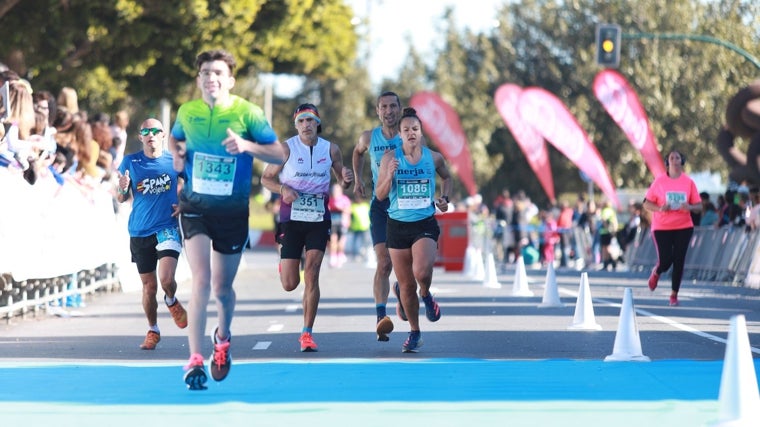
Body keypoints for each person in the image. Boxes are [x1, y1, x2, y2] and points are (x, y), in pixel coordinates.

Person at [169, 49, 284, 390]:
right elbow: (176, 137)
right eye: (205, 72)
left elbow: (280, 152)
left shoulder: (247, 112)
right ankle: (193, 360)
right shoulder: (186, 111)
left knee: (222, 288)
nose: (211, 78)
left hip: (233, 211)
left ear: (230, 79)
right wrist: (177, 152)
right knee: (201, 280)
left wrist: (247, 146)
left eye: (218, 72)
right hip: (195, 207)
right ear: (198, 78)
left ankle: (223, 337)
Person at [261, 103, 354, 352]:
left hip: (318, 218)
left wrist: (346, 179)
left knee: (312, 273)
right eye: (301, 121)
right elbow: (266, 178)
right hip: (291, 219)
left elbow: (341, 181)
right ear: (296, 125)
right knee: (290, 283)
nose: (306, 125)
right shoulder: (286, 149)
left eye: (310, 121)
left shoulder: (331, 149)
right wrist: (283, 189)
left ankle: (307, 333)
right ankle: (285, 263)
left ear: (317, 123)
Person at [375, 107, 452, 353]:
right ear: (399, 134)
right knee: (406, 285)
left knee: (421, 271)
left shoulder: (434, 157)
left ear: (421, 133)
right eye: (406, 130)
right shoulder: (390, 157)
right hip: (397, 225)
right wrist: (388, 175)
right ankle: (415, 333)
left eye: (415, 129)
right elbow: (379, 194)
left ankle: (427, 295)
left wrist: (444, 198)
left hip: (424, 223)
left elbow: (447, 178)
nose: (411, 133)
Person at [116, 118, 187, 350]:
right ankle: (153, 329)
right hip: (139, 229)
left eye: (155, 131)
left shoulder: (174, 161)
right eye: (145, 131)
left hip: (167, 226)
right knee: (149, 287)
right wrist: (123, 186)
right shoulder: (130, 161)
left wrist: (184, 203)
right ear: (140, 137)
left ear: (163, 134)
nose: (151, 135)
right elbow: (121, 197)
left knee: (166, 279)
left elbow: (190, 185)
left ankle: (171, 300)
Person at [352, 91, 402, 342]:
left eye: (393, 106)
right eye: (384, 107)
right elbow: (357, 152)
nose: (389, 111)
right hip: (380, 205)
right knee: (384, 262)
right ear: (378, 111)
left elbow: (427, 164)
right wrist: (358, 178)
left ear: (400, 109)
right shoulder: (369, 137)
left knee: (407, 263)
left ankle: (402, 289)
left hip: (405, 207)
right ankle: (381, 317)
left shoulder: (411, 136)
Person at [643, 150, 702, 306]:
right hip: (662, 226)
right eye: (672, 158)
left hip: (684, 226)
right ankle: (657, 271)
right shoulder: (659, 181)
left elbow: (699, 206)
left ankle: (674, 295)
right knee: (666, 260)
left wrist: (689, 206)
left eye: (678, 158)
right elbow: (646, 203)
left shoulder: (688, 182)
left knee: (679, 260)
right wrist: (661, 208)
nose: (675, 160)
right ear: (667, 162)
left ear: (682, 162)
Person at [327, 182, 352, 268]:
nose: (335, 191)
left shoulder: (345, 199)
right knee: (333, 240)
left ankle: (340, 255)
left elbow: (348, 211)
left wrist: (340, 208)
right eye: (334, 190)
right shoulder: (330, 199)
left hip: (342, 222)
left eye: (337, 190)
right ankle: (333, 257)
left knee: (341, 241)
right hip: (332, 222)